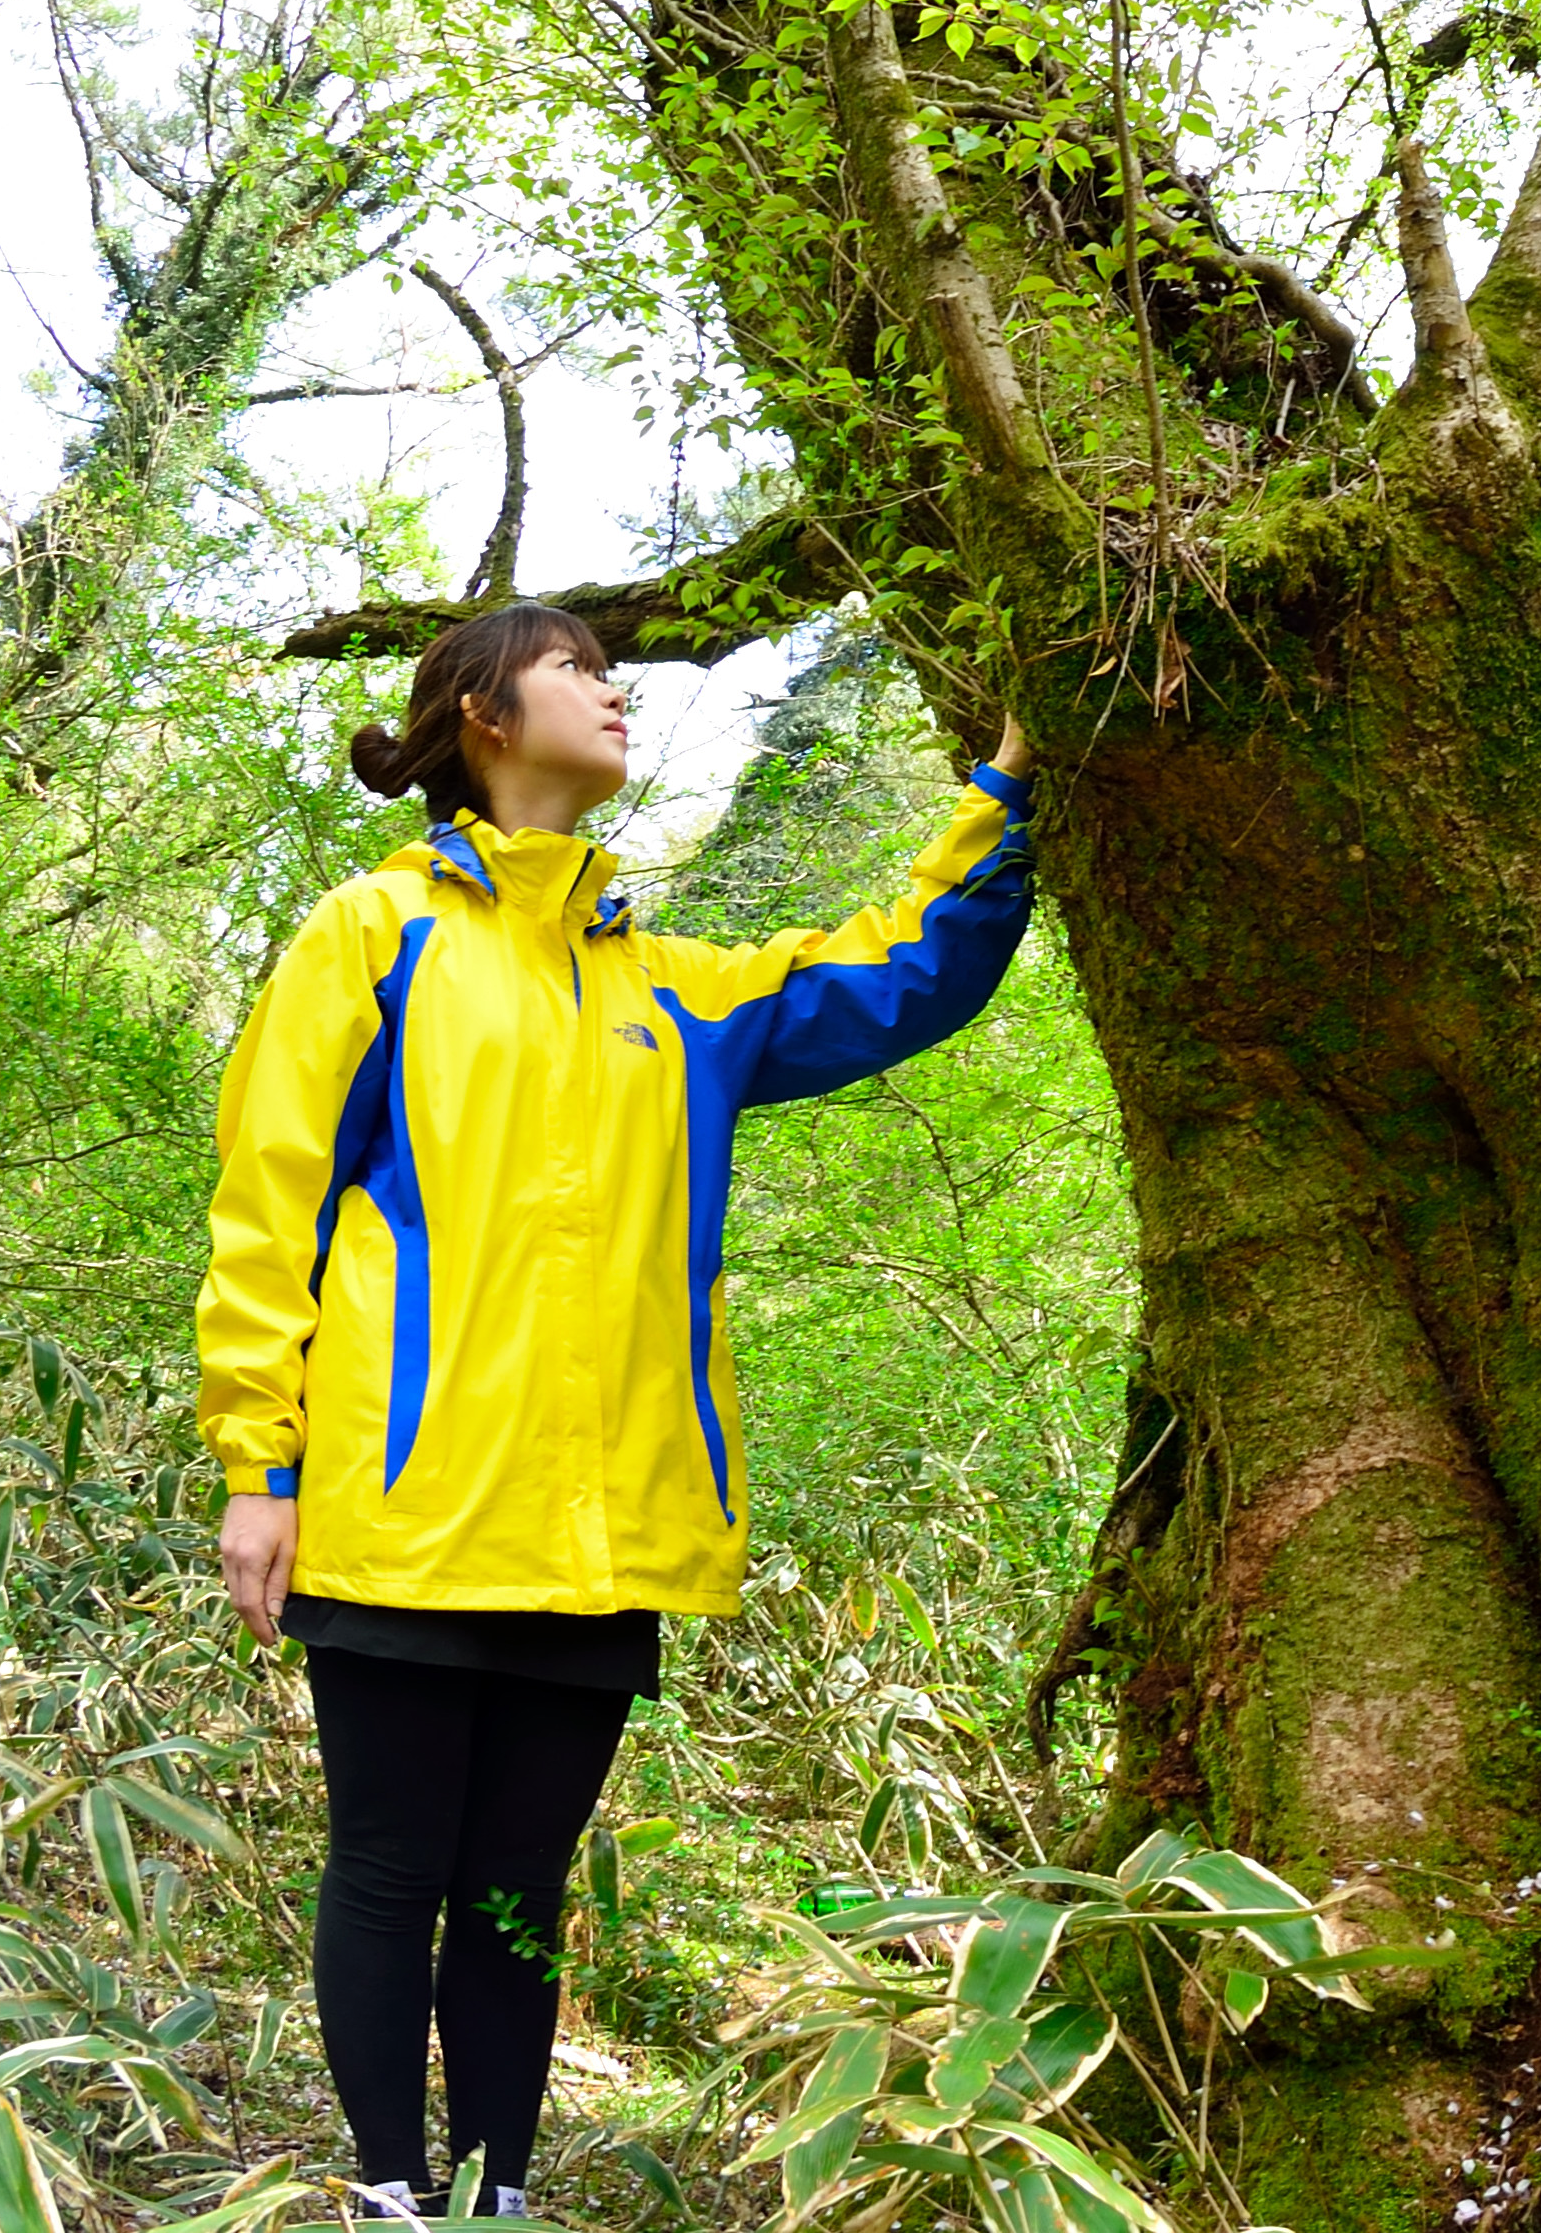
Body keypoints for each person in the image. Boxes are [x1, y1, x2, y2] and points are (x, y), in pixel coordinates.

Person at [200, 606, 1038, 2220]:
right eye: (578, 667)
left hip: (599, 1531)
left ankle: (495, 2197)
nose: (614, 687)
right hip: (403, 1510)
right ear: (482, 714)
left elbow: (899, 974)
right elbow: (266, 1206)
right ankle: (390, 2190)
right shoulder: (371, 935)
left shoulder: (673, 986)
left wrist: (1004, 785)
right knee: (390, 1870)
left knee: (519, 1890)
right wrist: (261, 1462)